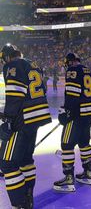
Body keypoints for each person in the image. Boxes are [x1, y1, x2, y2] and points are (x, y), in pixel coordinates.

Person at [0, 44, 51, 209]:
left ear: (6, 57)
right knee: (26, 160)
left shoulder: (11, 66)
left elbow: (15, 96)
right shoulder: (32, 63)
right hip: (36, 118)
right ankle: (28, 199)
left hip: (22, 120)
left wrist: (7, 121)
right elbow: (42, 89)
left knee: (7, 163)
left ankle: (21, 204)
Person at [53, 53, 91, 192]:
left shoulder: (72, 70)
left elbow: (72, 93)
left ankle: (68, 179)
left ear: (70, 62)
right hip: (88, 113)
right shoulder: (87, 70)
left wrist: (67, 112)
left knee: (66, 144)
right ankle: (88, 174)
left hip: (77, 113)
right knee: (84, 143)